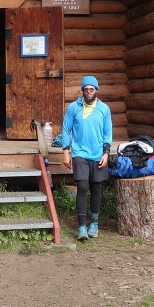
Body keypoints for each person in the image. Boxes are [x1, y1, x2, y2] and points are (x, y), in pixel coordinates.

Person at [58, 75, 112, 240]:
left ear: (96, 90)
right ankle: (81, 226)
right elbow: (65, 130)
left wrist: (106, 153)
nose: (89, 92)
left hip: (97, 154)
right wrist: (66, 152)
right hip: (80, 153)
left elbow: (107, 133)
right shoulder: (74, 107)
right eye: (86, 89)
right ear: (82, 91)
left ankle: (94, 223)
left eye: (92, 89)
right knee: (82, 187)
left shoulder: (104, 109)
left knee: (96, 188)